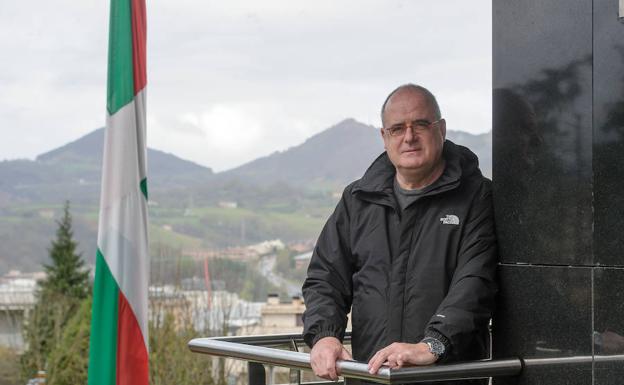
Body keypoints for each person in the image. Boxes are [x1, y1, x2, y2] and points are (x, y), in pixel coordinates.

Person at [302, 84, 498, 384]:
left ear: (441, 129)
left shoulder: (477, 197)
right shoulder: (358, 200)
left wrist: (432, 345)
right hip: (372, 377)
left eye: (420, 124)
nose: (409, 137)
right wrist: (325, 336)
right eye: (397, 128)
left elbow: (475, 283)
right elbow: (326, 276)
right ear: (385, 137)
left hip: (448, 376)